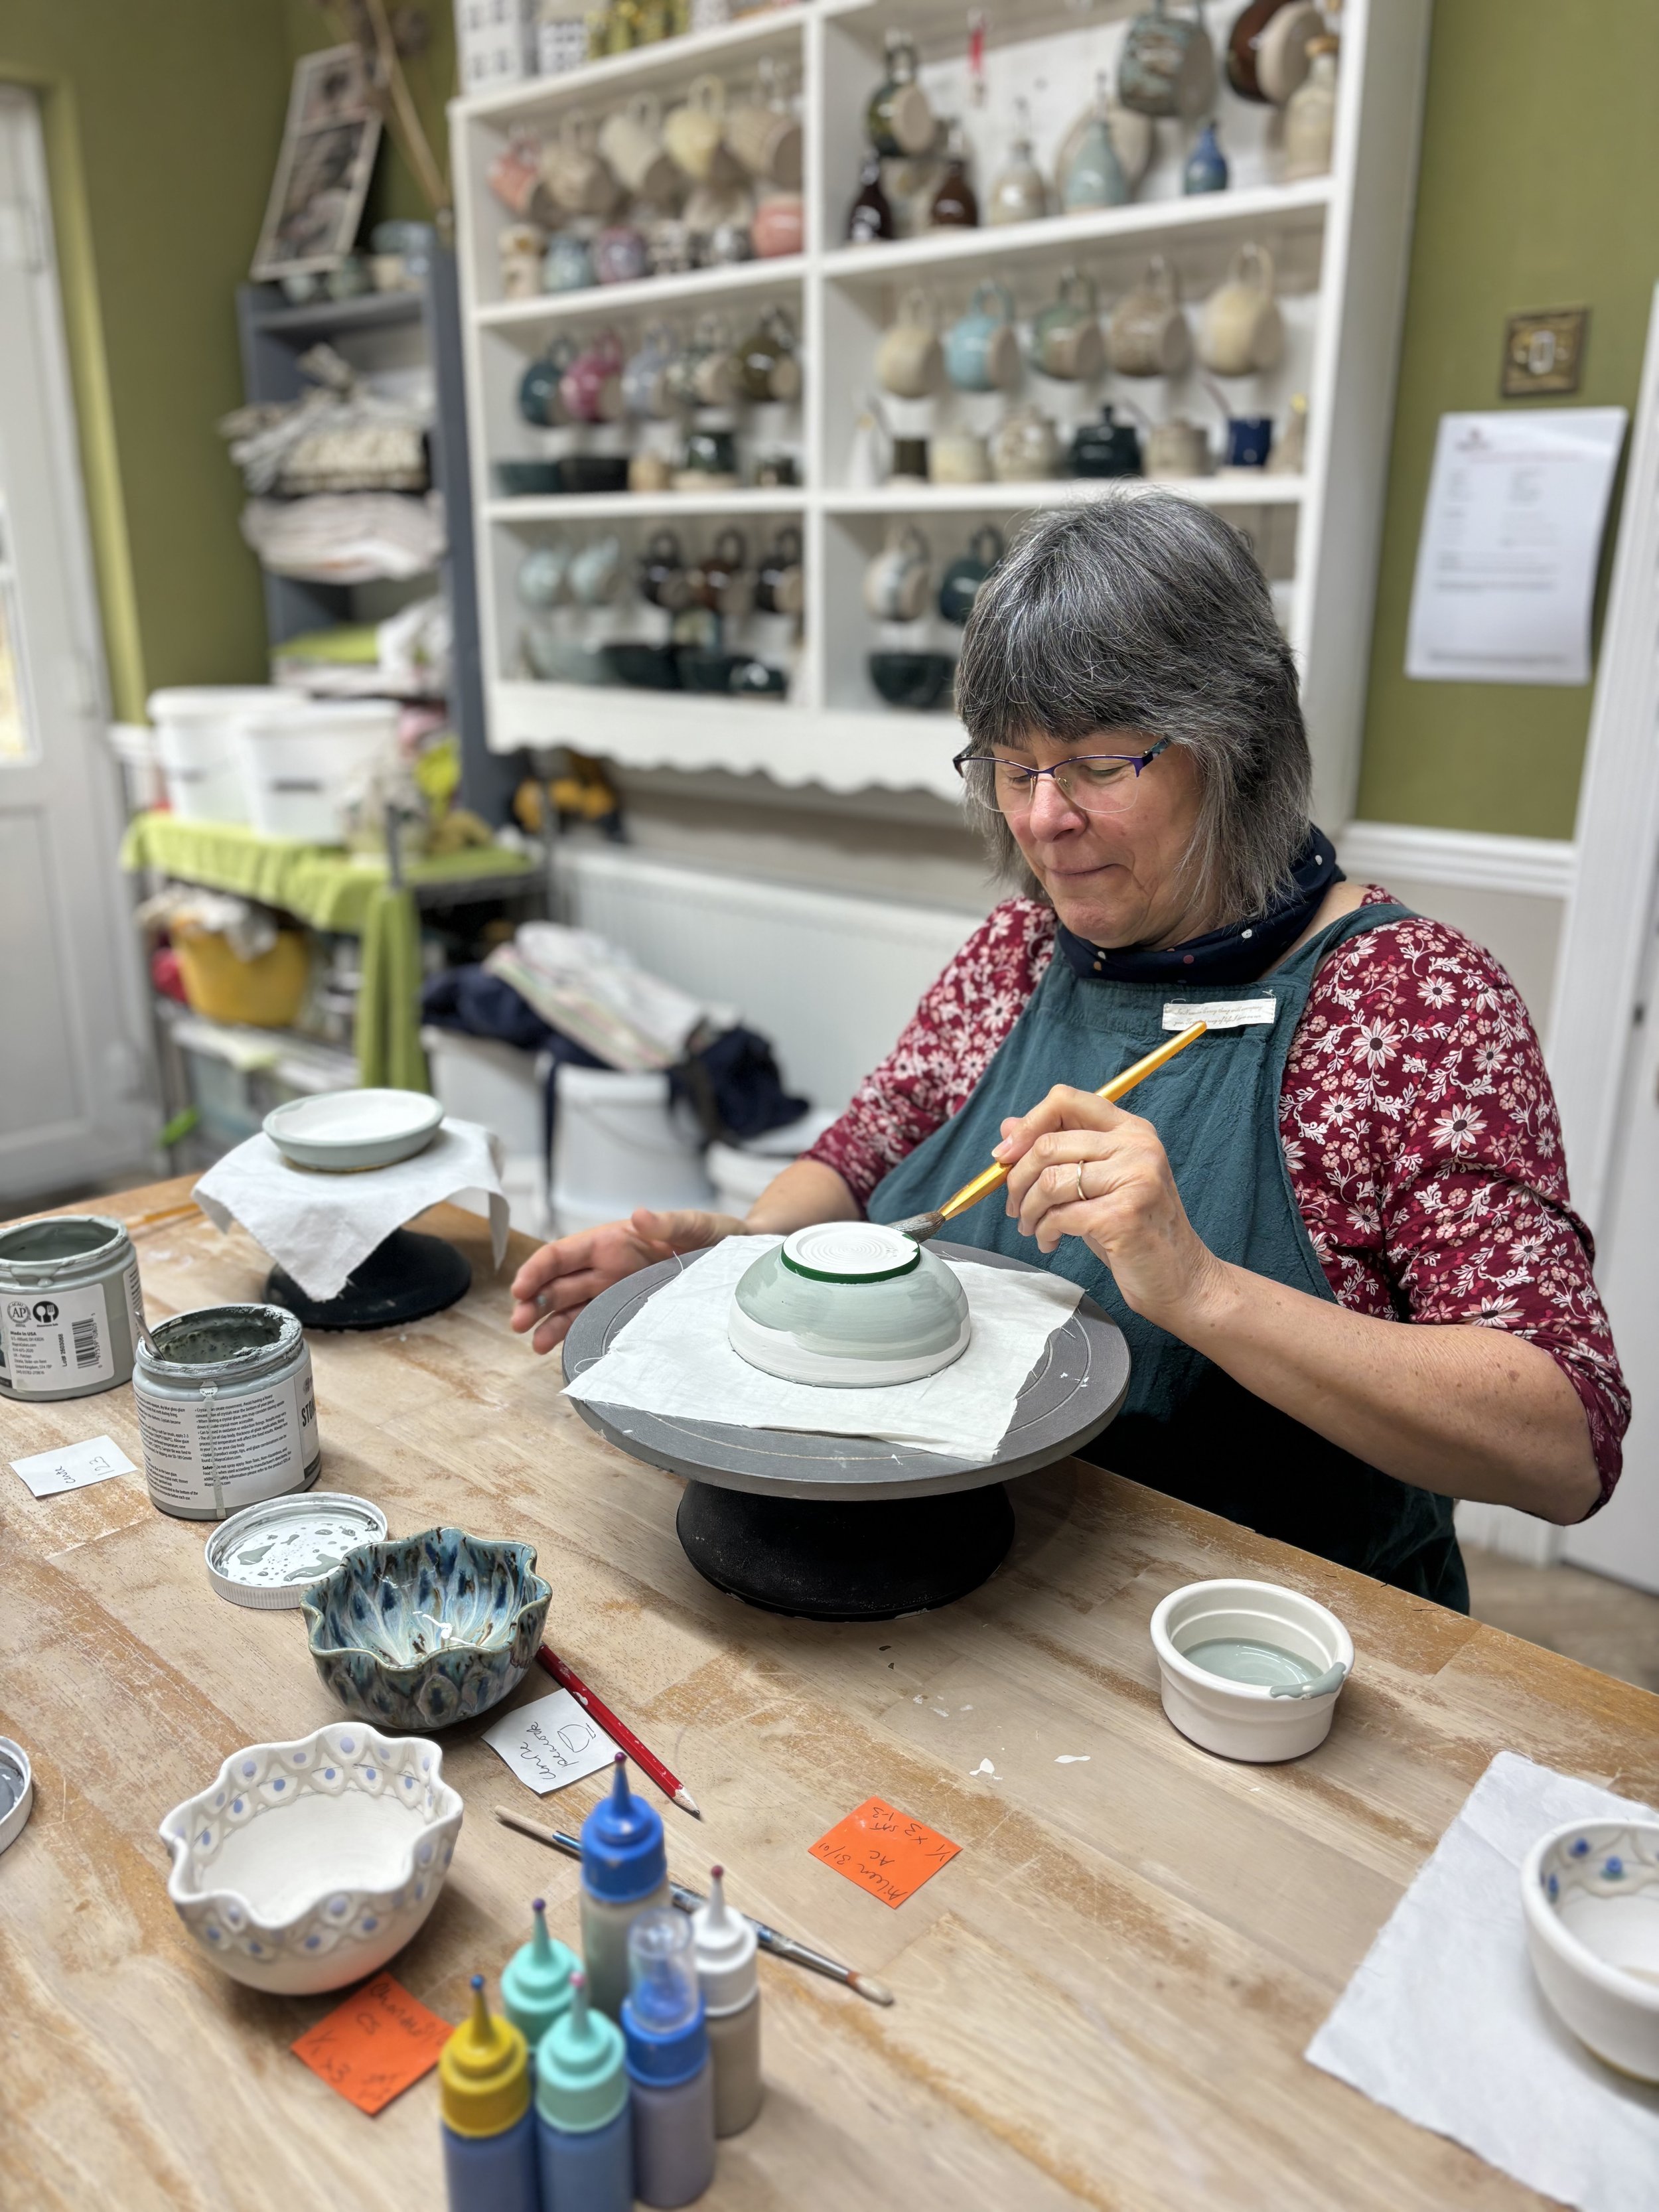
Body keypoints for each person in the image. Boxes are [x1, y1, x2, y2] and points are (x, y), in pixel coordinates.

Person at [510, 498, 1628, 1610]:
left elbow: (1562, 1443)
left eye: (1099, 762)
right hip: (996, 1591)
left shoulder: (1409, 1006)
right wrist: (749, 1257)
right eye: (1012, 764)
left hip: (1279, 1650)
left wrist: (1199, 1288)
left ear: (1235, 747)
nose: (1044, 818)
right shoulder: (1016, 953)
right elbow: (864, 1157)